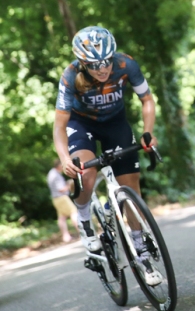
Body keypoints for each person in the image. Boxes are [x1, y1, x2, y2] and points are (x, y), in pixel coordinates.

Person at [53, 26, 163, 285]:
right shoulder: (70, 77)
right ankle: (83, 219)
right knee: (86, 171)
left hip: (115, 124)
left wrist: (148, 133)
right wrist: (65, 158)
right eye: (94, 65)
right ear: (82, 64)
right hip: (82, 126)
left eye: (106, 62)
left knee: (131, 187)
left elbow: (147, 100)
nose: (102, 69)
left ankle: (141, 250)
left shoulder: (126, 64)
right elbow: (59, 126)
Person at [47, 158, 79, 243]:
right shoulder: (55, 175)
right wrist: (69, 184)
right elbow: (61, 189)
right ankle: (81, 231)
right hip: (62, 198)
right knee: (74, 212)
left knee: (62, 217)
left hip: (56, 199)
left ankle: (66, 236)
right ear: (59, 166)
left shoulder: (52, 173)